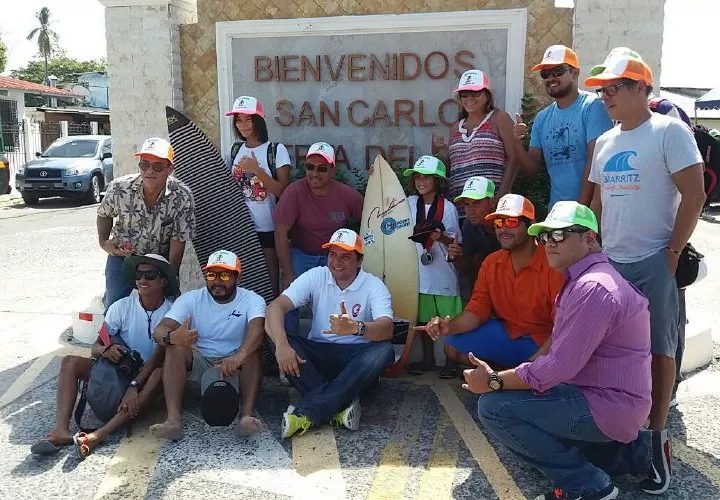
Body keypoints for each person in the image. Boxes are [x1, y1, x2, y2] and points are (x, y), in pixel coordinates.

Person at [466, 202, 670, 500]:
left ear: (590, 238)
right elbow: (559, 357)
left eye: (560, 234)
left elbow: (559, 367)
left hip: (606, 404)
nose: (549, 243)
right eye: (545, 236)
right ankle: (640, 453)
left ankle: (588, 487)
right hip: (602, 398)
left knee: (494, 408)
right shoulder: (585, 279)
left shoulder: (593, 288)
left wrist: (494, 380)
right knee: (530, 414)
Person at [585, 53, 706, 431]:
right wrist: (592, 253)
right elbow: (598, 203)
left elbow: (696, 195)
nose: (606, 97)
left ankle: (656, 428)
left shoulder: (670, 131)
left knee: (659, 349)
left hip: (654, 258)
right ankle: (622, 414)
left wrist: (672, 252)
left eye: (614, 88)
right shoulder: (605, 141)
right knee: (614, 346)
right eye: (602, 91)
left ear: (642, 88)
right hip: (612, 261)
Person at [30, 254, 178, 457]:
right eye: (138, 274)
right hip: (121, 368)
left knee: (159, 374)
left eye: (150, 275)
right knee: (70, 362)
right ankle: (60, 430)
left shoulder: (173, 312)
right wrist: (106, 350)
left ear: (163, 281)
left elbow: (159, 358)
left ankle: (99, 435)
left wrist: (133, 386)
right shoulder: (120, 307)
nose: (143, 279)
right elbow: (96, 347)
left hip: (148, 374)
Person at [265, 229, 395, 439]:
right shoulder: (317, 275)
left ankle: (307, 413)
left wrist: (356, 328)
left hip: (354, 358)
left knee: (384, 351)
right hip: (319, 353)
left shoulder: (374, 285)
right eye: (332, 254)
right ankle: (339, 406)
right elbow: (275, 307)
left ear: (359, 260)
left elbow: (387, 328)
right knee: (274, 335)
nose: (337, 262)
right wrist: (281, 345)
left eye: (345, 256)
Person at [416, 194, 564, 370]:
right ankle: (507, 375)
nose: (503, 229)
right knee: (452, 345)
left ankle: (520, 375)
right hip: (508, 334)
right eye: (498, 223)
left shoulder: (553, 263)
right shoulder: (491, 263)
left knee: (548, 361)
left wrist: (536, 366)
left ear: (530, 225)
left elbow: (563, 326)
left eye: (511, 222)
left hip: (545, 340)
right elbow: (476, 312)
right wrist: (447, 327)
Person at [150, 250, 266, 440]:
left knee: (253, 352)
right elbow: (159, 330)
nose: (217, 281)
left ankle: (245, 417)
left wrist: (238, 357)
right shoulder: (191, 299)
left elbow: (257, 330)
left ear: (239, 277)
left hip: (234, 368)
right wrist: (173, 337)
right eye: (212, 275)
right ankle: (173, 422)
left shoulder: (252, 300)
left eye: (225, 275)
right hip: (200, 365)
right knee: (175, 347)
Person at [273, 142, 364, 334]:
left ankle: (335, 340)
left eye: (322, 168)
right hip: (301, 254)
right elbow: (280, 232)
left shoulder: (347, 195)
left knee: (342, 296)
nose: (315, 173)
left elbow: (370, 221)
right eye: (310, 167)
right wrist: (287, 272)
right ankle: (288, 342)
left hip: (335, 257)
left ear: (332, 170)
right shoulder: (294, 193)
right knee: (289, 295)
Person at [97, 137, 195, 310]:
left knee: (170, 307)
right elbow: (104, 214)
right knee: (113, 305)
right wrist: (104, 242)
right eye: (144, 164)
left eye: (157, 166)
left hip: (160, 259)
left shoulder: (182, 197)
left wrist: (171, 276)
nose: (150, 171)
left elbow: (178, 241)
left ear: (170, 169)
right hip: (123, 257)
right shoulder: (119, 188)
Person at [514, 45, 613, 208]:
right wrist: (516, 142)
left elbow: (595, 162)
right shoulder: (542, 118)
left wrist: (580, 211)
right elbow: (532, 169)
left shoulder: (593, 106)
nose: (550, 78)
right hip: (557, 213)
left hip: (587, 213)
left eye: (558, 71)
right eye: (545, 74)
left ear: (575, 72)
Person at [401, 156, 463, 378]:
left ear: (438, 180)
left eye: (426, 177)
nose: (421, 181)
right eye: (418, 177)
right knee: (423, 319)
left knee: (450, 320)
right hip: (420, 273)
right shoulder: (409, 203)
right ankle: (427, 359)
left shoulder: (448, 208)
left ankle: (451, 361)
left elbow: (455, 242)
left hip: (443, 273)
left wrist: (440, 238)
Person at [225, 96, 292, 297]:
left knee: (270, 282)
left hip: (267, 227)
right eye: (239, 120)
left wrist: (256, 170)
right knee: (243, 281)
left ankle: (270, 315)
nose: (243, 125)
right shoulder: (234, 150)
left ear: (259, 121)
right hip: (241, 226)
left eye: (248, 119)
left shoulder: (276, 150)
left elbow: (283, 192)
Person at [432, 69, 517, 218]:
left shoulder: (500, 119)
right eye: (464, 94)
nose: (469, 98)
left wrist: (500, 196)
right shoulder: (455, 128)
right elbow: (452, 165)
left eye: (476, 93)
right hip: (461, 209)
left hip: (490, 207)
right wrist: (437, 150)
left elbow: (514, 158)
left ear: (487, 95)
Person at [453, 176, 501, 290]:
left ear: (492, 202)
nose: (471, 210)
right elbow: (467, 268)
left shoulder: (508, 222)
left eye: (476, 203)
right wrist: (456, 257)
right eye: (467, 204)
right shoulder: (469, 225)